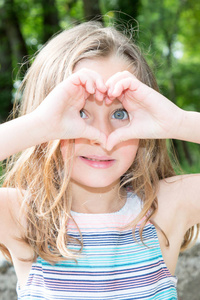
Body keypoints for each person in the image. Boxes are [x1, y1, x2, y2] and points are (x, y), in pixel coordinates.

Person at [0, 21, 199, 300]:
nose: (102, 136)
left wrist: (179, 121)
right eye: (81, 112)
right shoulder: (21, 216)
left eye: (120, 114)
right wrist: (38, 126)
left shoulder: (166, 208)